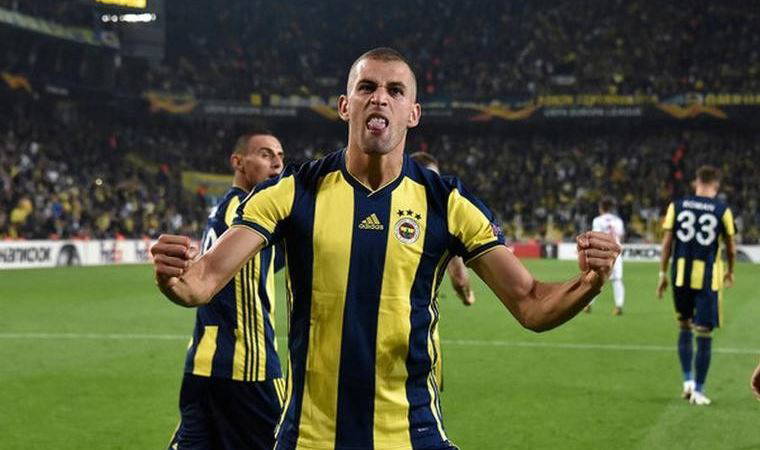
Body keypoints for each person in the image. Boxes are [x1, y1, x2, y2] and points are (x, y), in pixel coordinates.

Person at [151, 48, 620, 450]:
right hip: (311, 437)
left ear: (413, 113)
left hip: (413, 434)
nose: (380, 97)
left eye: (395, 91)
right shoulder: (293, 191)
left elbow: (531, 304)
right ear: (345, 106)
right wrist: (175, 277)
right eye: (367, 87)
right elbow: (203, 281)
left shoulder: (447, 202)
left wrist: (590, 282)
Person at [167, 132, 286, 450]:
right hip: (248, 366)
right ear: (238, 162)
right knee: (291, 441)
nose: (277, 163)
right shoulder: (247, 208)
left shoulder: (223, 208)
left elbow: (261, 264)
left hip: (202, 365)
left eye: (280, 156)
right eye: (265, 154)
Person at [656, 165, 736, 406]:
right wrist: (731, 271)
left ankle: (687, 382)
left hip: (680, 275)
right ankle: (699, 391)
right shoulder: (722, 210)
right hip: (707, 279)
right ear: (716, 185)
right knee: (704, 332)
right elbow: (731, 248)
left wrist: (662, 273)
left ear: (696, 182)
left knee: (684, 326)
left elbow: (667, 243)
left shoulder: (677, 205)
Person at [409, 151, 475, 306]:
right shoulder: (443, 216)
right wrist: (467, 297)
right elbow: (459, 279)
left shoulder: (383, 206)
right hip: (417, 313)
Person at [586, 196, 625, 315]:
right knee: (617, 280)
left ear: (601, 208)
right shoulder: (618, 221)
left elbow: (596, 236)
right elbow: (621, 236)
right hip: (616, 252)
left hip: (602, 252)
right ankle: (618, 306)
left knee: (597, 280)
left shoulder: (597, 220)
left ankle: (588, 305)